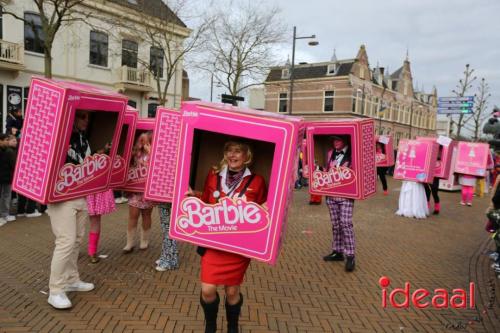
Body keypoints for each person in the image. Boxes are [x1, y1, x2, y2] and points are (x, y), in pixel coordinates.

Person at [193, 140, 267, 333]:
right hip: (213, 243)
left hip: (238, 246)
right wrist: (192, 196)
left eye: (238, 151)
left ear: (247, 155)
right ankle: (211, 326)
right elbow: (204, 203)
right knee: (208, 290)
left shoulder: (257, 181)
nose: (233, 155)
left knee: (232, 290)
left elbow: (262, 214)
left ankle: (232, 326)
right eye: (229, 151)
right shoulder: (213, 175)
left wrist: (267, 209)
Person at [46, 110, 94, 309]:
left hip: (81, 195)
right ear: (72, 117)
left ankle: (71, 279)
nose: (86, 121)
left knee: (76, 240)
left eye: (87, 117)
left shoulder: (83, 139)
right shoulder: (58, 135)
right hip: (60, 196)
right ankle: (55, 290)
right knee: (65, 241)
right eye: (82, 117)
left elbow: (88, 163)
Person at [322, 136, 356, 272]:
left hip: (346, 195)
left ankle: (350, 256)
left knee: (345, 224)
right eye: (334, 140)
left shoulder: (354, 154)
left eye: (338, 140)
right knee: (336, 225)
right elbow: (326, 170)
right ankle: (337, 252)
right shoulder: (330, 153)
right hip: (331, 194)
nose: (335, 142)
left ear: (346, 140)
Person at [123, 132, 155, 253]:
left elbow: (157, 166)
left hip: (147, 191)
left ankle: (144, 241)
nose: (143, 143)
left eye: (146, 141)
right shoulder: (135, 154)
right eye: (141, 140)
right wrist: (133, 152)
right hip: (135, 190)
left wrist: (150, 151)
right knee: (133, 216)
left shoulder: (153, 153)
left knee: (146, 215)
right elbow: (126, 163)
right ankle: (129, 243)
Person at [86, 143, 115, 263]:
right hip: (80, 189)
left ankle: (92, 251)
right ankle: (71, 250)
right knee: (75, 224)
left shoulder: (105, 169)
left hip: (95, 189)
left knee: (95, 221)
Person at [155, 202, 179, 271]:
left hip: (173, 197)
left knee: (169, 229)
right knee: (165, 229)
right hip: (163, 199)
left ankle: (170, 261)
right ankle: (165, 257)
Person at [0, 134, 17, 226]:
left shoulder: (6, 150)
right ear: (0, 140)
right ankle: (3, 215)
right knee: (5, 196)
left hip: (6, 177)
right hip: (4, 177)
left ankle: (4, 215)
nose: (8, 141)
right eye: (6, 140)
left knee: (5, 196)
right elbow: (13, 164)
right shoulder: (8, 151)